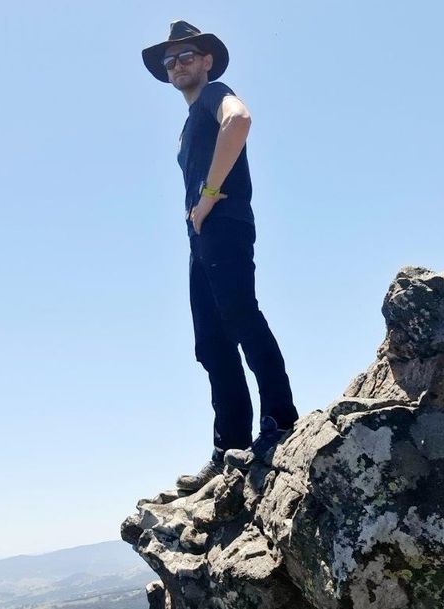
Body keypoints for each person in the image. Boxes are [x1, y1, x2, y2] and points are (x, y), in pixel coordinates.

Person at [141, 21, 299, 491]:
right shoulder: (190, 122)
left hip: (224, 224)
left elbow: (240, 120)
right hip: (201, 235)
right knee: (211, 341)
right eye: (170, 61)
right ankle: (229, 442)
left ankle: (279, 420)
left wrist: (209, 195)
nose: (177, 65)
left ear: (206, 60)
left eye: (186, 55)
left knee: (240, 316)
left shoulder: (216, 95)